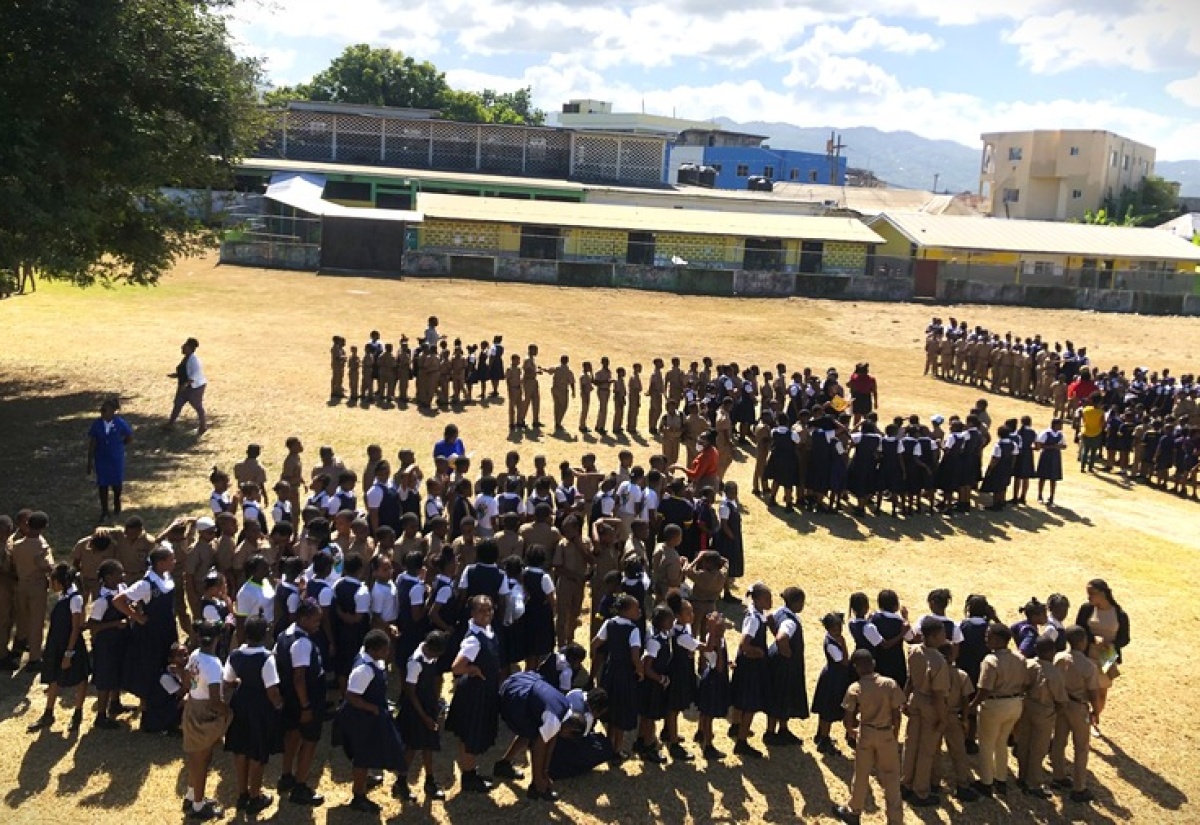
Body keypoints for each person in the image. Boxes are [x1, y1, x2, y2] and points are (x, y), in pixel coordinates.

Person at [833, 649, 905, 825]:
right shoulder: (889, 684)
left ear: (856, 668)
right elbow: (897, 714)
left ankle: (854, 810)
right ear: (873, 663)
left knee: (861, 774)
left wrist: (851, 730)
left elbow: (848, 716)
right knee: (891, 777)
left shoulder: (855, 688)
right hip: (886, 732)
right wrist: (894, 734)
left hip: (865, 732)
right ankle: (895, 819)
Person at [338, 628, 406, 813]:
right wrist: (373, 708)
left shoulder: (371, 659)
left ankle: (364, 779)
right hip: (361, 718)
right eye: (385, 650)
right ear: (374, 650)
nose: (388, 653)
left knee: (368, 753)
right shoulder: (364, 670)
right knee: (363, 755)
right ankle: (358, 796)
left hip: (371, 715)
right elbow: (352, 696)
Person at [223, 615, 283, 815]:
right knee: (257, 752)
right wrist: (278, 706)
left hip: (240, 705)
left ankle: (242, 794)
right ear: (265, 634)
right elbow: (272, 691)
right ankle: (255, 796)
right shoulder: (267, 658)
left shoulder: (235, 655)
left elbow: (228, 680)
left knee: (240, 750)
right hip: (260, 708)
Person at [446, 595, 503, 792]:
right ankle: (469, 777)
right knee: (471, 734)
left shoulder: (487, 630)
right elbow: (456, 667)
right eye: (481, 611)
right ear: (472, 613)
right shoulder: (473, 640)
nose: (486, 614)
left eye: (489, 610)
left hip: (485, 689)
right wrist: (473, 670)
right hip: (475, 692)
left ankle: (470, 771)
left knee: (470, 734)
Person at [27, 564, 91, 732]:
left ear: (60, 582)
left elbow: (75, 628)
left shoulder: (75, 599)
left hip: (70, 645)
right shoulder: (63, 596)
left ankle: (77, 714)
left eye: (52, 581)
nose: (50, 585)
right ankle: (48, 713)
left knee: (80, 677)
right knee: (53, 677)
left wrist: (69, 653)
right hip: (57, 644)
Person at [275, 601, 326, 806]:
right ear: (303, 618)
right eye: (315, 620)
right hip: (305, 702)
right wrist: (306, 707)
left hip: (289, 699)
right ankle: (300, 786)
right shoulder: (302, 643)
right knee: (309, 741)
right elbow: (299, 678)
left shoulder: (283, 635)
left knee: (292, 736)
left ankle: (286, 776)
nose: (318, 624)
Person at [968, 623, 1029, 797]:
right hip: (1015, 704)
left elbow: (984, 689)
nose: (986, 639)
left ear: (997, 639)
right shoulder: (1019, 658)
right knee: (1001, 742)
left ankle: (986, 782)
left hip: (994, 705)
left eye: (989, 636)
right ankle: (1001, 779)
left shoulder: (990, 660)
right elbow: (1025, 682)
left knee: (986, 744)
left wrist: (972, 706)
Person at [114, 545, 179, 705]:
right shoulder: (146, 584)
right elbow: (119, 601)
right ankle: (147, 704)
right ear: (161, 563)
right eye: (171, 559)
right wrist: (137, 617)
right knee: (152, 666)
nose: (174, 562)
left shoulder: (166, 577)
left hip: (167, 628)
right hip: (152, 633)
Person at [183, 621, 232, 821]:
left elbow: (187, 680)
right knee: (201, 761)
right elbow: (214, 700)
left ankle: (191, 794)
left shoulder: (195, 654)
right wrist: (228, 711)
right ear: (217, 639)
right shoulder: (213, 664)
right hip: (204, 713)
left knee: (198, 758)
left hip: (193, 706)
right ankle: (198, 805)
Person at [899, 617, 948, 807]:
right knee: (926, 750)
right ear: (935, 636)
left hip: (915, 700)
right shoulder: (938, 661)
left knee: (911, 744)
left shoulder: (914, 650)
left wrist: (904, 700)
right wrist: (943, 718)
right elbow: (938, 694)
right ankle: (921, 791)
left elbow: (910, 679)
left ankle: (906, 783)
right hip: (930, 705)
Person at [398, 631, 450, 802]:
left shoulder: (430, 656)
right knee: (412, 747)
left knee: (429, 745)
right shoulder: (415, 663)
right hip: (416, 710)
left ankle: (429, 781)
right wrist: (425, 717)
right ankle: (401, 782)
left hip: (428, 706)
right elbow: (410, 693)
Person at [1052, 625, 1101, 803]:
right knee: (1081, 747)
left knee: (1059, 741)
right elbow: (1093, 692)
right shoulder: (1088, 666)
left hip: (1061, 704)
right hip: (1079, 707)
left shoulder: (1059, 658)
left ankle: (1058, 776)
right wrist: (1096, 711)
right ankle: (1079, 787)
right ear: (1082, 642)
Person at [1075, 578, 1129, 736]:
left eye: (1091, 594)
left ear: (1103, 593)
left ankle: (1094, 717)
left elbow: (1125, 638)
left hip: (1107, 656)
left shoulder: (1119, 614)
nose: (1088, 597)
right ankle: (1084, 720)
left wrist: (1111, 643)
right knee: (1085, 689)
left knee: (1101, 691)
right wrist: (1093, 639)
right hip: (1088, 653)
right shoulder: (1086, 609)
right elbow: (1078, 629)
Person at [1015, 636, 1067, 798]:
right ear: (1052, 652)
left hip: (1026, 706)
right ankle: (1033, 783)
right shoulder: (1053, 672)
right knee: (1039, 749)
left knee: (1024, 743)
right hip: (1044, 710)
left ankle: (1022, 776)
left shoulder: (1028, 665)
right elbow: (1061, 699)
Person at [730, 582, 772, 758]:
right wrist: (759, 652)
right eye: (768, 598)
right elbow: (745, 644)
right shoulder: (754, 619)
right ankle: (741, 741)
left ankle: (735, 727)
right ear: (759, 599)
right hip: (751, 667)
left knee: (741, 700)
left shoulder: (756, 613)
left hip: (747, 665)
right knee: (750, 704)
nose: (771, 601)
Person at [87, 398, 134, 522]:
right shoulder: (97, 424)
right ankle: (104, 510)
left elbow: (129, 436)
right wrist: (90, 460)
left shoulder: (120, 423)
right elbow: (93, 442)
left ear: (113, 412)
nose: (102, 412)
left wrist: (119, 445)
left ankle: (117, 502)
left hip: (115, 458)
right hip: (101, 457)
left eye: (105, 410)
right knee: (102, 484)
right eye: (101, 410)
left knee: (116, 483)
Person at [167, 337, 208, 435]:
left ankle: (203, 426)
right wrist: (176, 375)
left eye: (185, 346)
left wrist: (184, 385)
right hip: (185, 386)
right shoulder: (187, 358)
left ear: (190, 348)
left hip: (194, 388)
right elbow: (185, 372)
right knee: (177, 404)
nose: (182, 347)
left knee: (197, 406)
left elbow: (194, 376)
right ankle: (170, 424)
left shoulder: (194, 361)